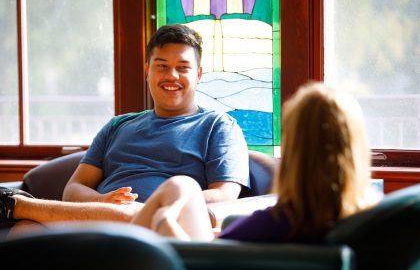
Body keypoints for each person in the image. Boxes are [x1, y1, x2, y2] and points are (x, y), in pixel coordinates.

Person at [0, 24, 249, 235]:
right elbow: (73, 189)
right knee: (25, 229)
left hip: (161, 228)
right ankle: (22, 210)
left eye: (183, 67)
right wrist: (101, 202)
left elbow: (225, 194)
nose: (171, 75)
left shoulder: (218, 125)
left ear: (198, 75)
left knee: (139, 209)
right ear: (147, 71)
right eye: (161, 66)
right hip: (96, 228)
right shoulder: (118, 125)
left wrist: (159, 203)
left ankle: (17, 204)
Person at [127, 82, 383, 242]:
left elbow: (204, 261)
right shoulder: (379, 220)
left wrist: (166, 223)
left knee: (173, 196)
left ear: (294, 152)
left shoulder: (274, 223)